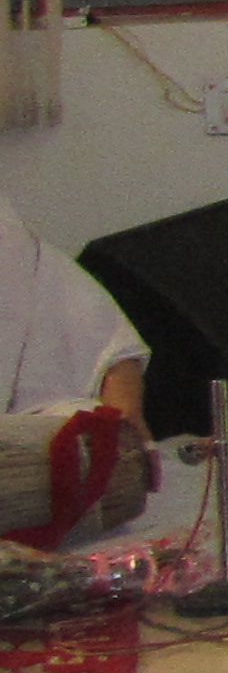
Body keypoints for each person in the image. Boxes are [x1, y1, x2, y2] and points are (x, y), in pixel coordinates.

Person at [0, 194, 156, 537]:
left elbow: (110, 350)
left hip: (18, 437)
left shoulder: (11, 240)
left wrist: (121, 427)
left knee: (87, 434)